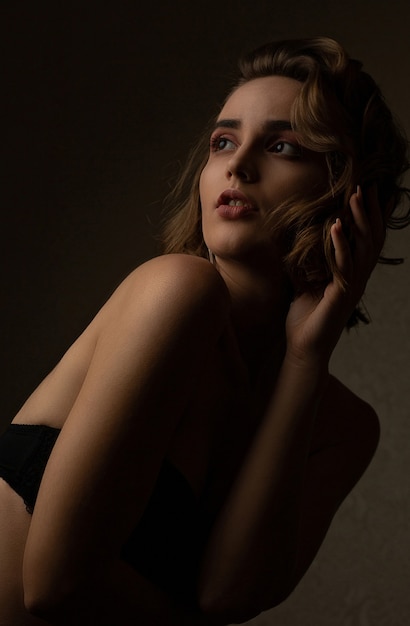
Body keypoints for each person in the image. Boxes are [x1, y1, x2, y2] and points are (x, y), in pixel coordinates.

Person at [0, 36, 409, 626]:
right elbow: (54, 586)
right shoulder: (178, 290)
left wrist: (304, 359)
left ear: (355, 198)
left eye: (283, 146)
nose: (238, 166)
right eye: (223, 142)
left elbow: (228, 596)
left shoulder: (343, 430)